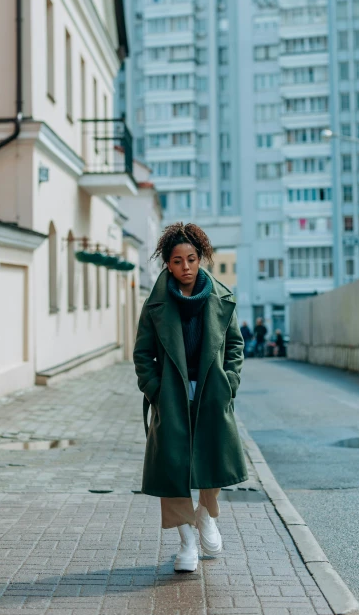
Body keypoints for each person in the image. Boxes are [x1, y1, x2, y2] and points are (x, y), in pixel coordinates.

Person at [133, 222, 248, 574]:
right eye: (178, 260)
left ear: (202, 259)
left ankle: (206, 513)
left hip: (212, 393)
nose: (186, 267)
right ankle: (186, 543)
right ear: (167, 264)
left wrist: (228, 384)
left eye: (192, 259)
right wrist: (156, 390)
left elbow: (235, 348)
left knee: (212, 458)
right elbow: (142, 355)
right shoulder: (155, 304)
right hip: (171, 396)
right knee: (173, 467)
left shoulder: (222, 298)